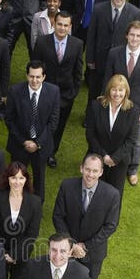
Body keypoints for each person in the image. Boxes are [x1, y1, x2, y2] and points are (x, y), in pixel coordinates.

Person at [52, 152, 121, 279]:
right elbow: (58, 216)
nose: (90, 174)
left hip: (93, 253)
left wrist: (85, 246)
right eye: (88, 169)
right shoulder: (67, 186)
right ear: (81, 168)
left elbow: (110, 226)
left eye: (95, 171)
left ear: (101, 172)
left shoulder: (112, 194)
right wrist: (72, 244)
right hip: (67, 250)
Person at [104, 20, 140, 186]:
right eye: (132, 34)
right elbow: (107, 78)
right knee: (111, 132)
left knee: (135, 140)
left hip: (136, 106)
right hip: (115, 102)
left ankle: (133, 169)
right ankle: (106, 161)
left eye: (138, 36)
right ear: (127, 35)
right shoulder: (114, 53)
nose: (134, 38)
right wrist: (104, 101)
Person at [85, 0, 140, 121]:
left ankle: (111, 118)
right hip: (100, 58)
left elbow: (135, 38)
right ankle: (90, 116)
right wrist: (90, 59)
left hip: (120, 60)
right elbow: (91, 35)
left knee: (115, 91)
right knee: (95, 89)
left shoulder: (134, 12)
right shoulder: (99, 9)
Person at [33, 10, 84, 167]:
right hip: (44, 93)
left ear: (70, 27)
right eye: (59, 24)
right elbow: (34, 66)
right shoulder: (42, 42)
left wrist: (72, 94)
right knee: (40, 122)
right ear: (54, 24)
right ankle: (37, 149)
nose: (62, 28)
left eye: (66, 25)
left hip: (65, 96)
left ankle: (51, 153)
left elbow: (78, 72)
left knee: (59, 126)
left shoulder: (77, 44)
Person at [5, 60, 60, 202]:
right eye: (31, 76)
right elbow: (9, 120)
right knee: (16, 177)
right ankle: (15, 202)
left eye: (38, 77)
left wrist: (38, 143)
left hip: (42, 145)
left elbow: (53, 122)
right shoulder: (15, 91)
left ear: (44, 77)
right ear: (26, 75)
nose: (34, 80)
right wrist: (24, 142)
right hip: (19, 144)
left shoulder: (53, 92)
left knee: (39, 178)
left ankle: (36, 207)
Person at [86, 74, 140, 201]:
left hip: (119, 162)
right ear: (109, 90)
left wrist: (114, 158)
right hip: (97, 159)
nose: (117, 94)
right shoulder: (96, 106)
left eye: (121, 90)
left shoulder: (133, 111)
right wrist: (104, 156)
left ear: (126, 92)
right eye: (114, 89)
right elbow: (90, 133)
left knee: (114, 197)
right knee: (93, 196)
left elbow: (131, 140)